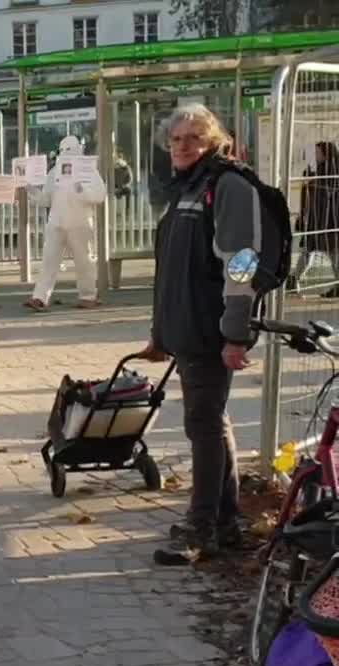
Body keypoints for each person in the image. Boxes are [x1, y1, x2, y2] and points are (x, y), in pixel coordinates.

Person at [146, 104, 261, 565]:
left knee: (204, 424)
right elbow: (169, 270)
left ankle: (201, 529)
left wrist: (235, 333)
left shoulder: (227, 185)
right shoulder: (186, 188)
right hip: (187, 327)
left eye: (194, 137)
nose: (182, 145)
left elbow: (243, 262)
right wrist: (160, 333)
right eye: (175, 139)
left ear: (214, 141)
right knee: (211, 420)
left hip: (212, 328)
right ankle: (226, 522)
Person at [25, 136, 107, 312]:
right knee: (49, 260)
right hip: (56, 223)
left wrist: (82, 190)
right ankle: (40, 297)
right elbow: (47, 199)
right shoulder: (55, 172)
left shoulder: (88, 171)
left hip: (80, 223)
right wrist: (32, 192)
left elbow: (100, 195)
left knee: (84, 260)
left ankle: (88, 296)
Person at [295, 141, 339, 297]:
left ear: (327, 154)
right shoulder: (312, 170)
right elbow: (305, 193)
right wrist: (302, 213)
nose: (315, 155)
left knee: (334, 254)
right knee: (307, 250)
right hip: (314, 220)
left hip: (331, 219)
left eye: (318, 152)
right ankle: (294, 282)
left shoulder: (333, 171)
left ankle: (336, 287)